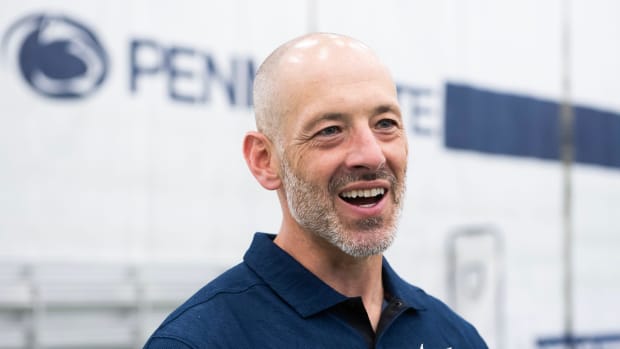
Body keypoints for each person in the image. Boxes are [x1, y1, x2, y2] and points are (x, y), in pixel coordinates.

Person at [143, 33, 488, 349]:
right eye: (330, 130)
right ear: (265, 160)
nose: (371, 155)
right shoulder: (198, 342)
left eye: (385, 124)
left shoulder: (456, 336)